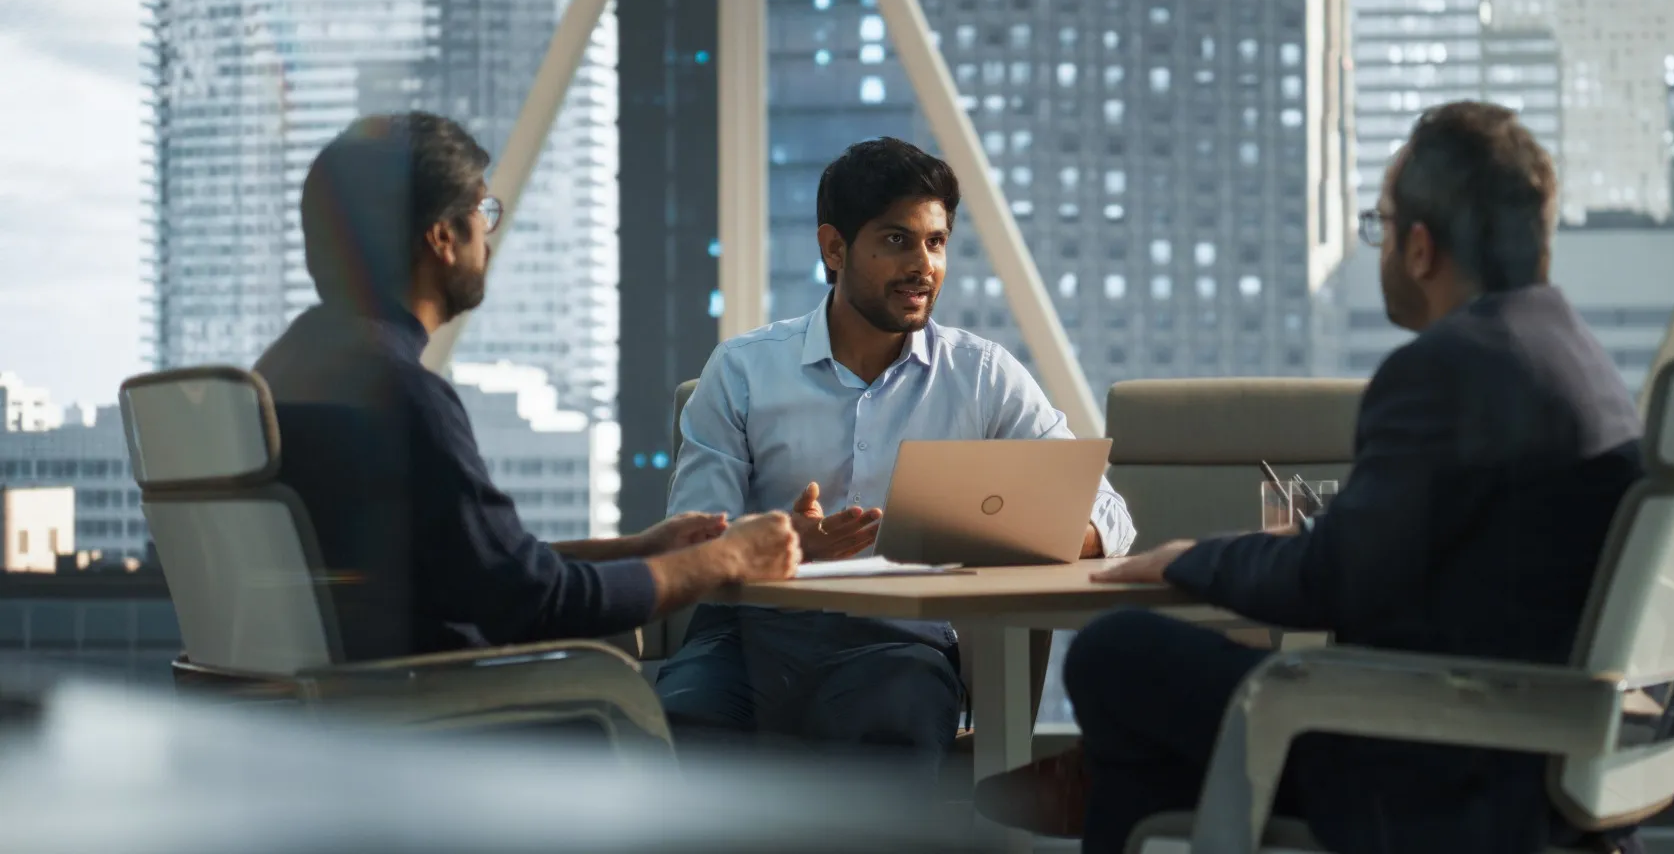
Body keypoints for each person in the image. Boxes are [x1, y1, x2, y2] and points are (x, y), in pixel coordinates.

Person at [977, 103, 1646, 853]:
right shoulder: (1584, 364)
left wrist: (1194, 556)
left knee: (1114, 652)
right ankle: (1109, 784)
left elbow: (1331, 581)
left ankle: (1097, 779)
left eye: (1381, 225)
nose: (1381, 246)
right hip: (1534, 751)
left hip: (1439, 758)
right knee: (1136, 787)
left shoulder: (1449, 369)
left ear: (1420, 249)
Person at [656, 136, 1135, 760]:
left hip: (897, 644)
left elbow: (1111, 517)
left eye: (935, 242)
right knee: (682, 730)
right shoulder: (742, 371)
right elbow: (690, 540)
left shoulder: (983, 375)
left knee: (892, 725)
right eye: (895, 240)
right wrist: (783, 548)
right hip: (745, 637)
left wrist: (1020, 533)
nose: (923, 265)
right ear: (834, 247)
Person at [256, 112, 800, 661]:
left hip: (325, 704)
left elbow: (479, 565)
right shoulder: (401, 396)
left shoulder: (282, 373)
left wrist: (637, 550)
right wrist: (727, 559)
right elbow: (533, 603)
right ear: (443, 236)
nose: (488, 240)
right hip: (428, 708)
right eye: (481, 212)